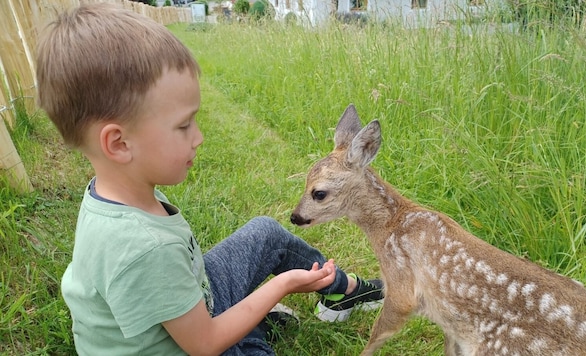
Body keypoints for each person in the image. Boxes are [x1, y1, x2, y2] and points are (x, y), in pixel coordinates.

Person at [36, 3, 383, 355]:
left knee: (265, 233)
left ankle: (342, 291)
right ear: (119, 143)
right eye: (184, 125)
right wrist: (283, 285)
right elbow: (205, 344)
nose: (198, 137)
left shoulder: (113, 196)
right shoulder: (144, 247)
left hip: (196, 304)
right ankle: (252, 324)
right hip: (196, 343)